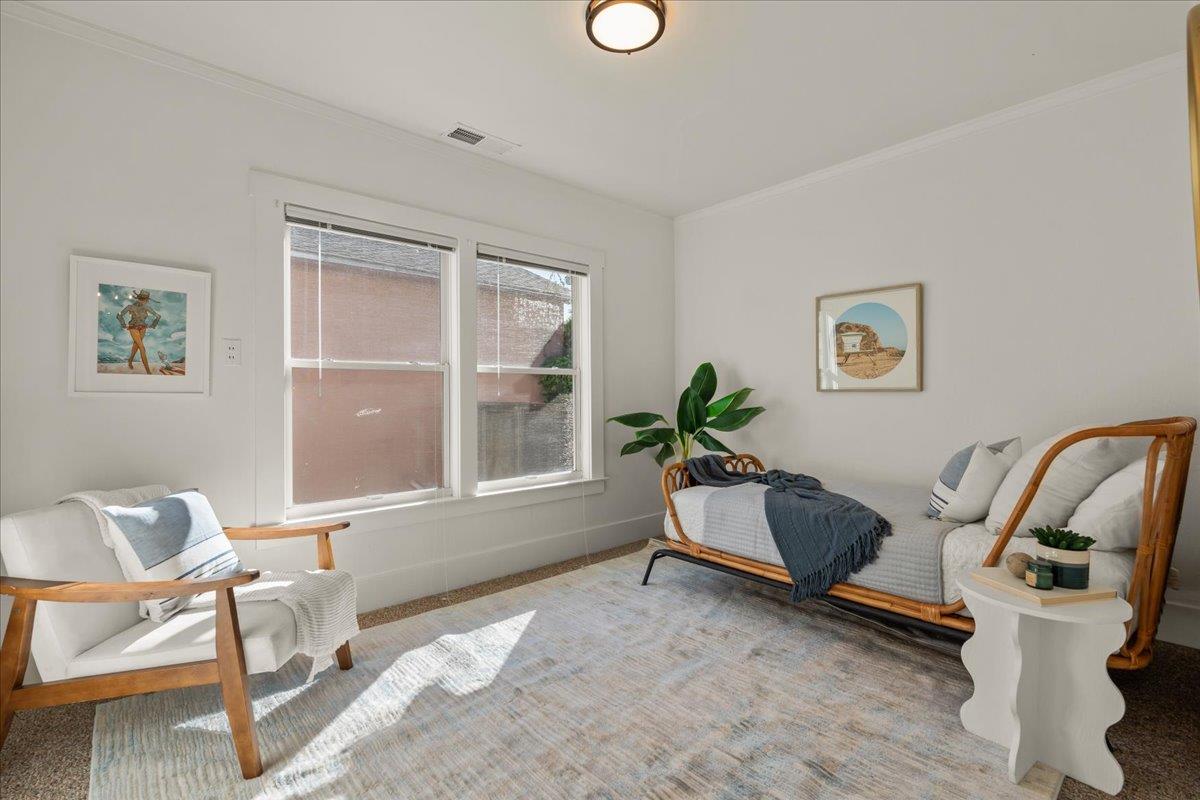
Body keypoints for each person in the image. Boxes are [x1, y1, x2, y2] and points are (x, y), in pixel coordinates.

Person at [117, 289, 161, 374]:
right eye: (146, 300)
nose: (146, 302)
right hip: (133, 328)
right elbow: (119, 315)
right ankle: (148, 371)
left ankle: (130, 360)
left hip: (143, 328)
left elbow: (158, 316)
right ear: (145, 299)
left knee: (136, 345)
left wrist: (153, 325)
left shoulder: (140, 307)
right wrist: (123, 325)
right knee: (142, 347)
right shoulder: (131, 307)